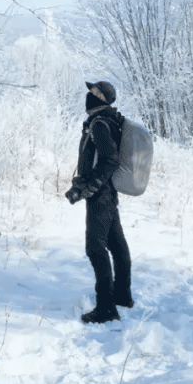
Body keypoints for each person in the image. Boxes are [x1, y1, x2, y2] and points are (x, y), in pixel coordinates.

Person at [65, 79, 133, 324]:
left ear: (102, 98)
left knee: (95, 248)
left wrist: (90, 186)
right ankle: (122, 296)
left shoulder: (100, 124)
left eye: (92, 92)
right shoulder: (106, 120)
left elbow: (109, 160)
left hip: (100, 194)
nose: (88, 95)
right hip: (107, 192)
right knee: (116, 244)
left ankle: (106, 307)